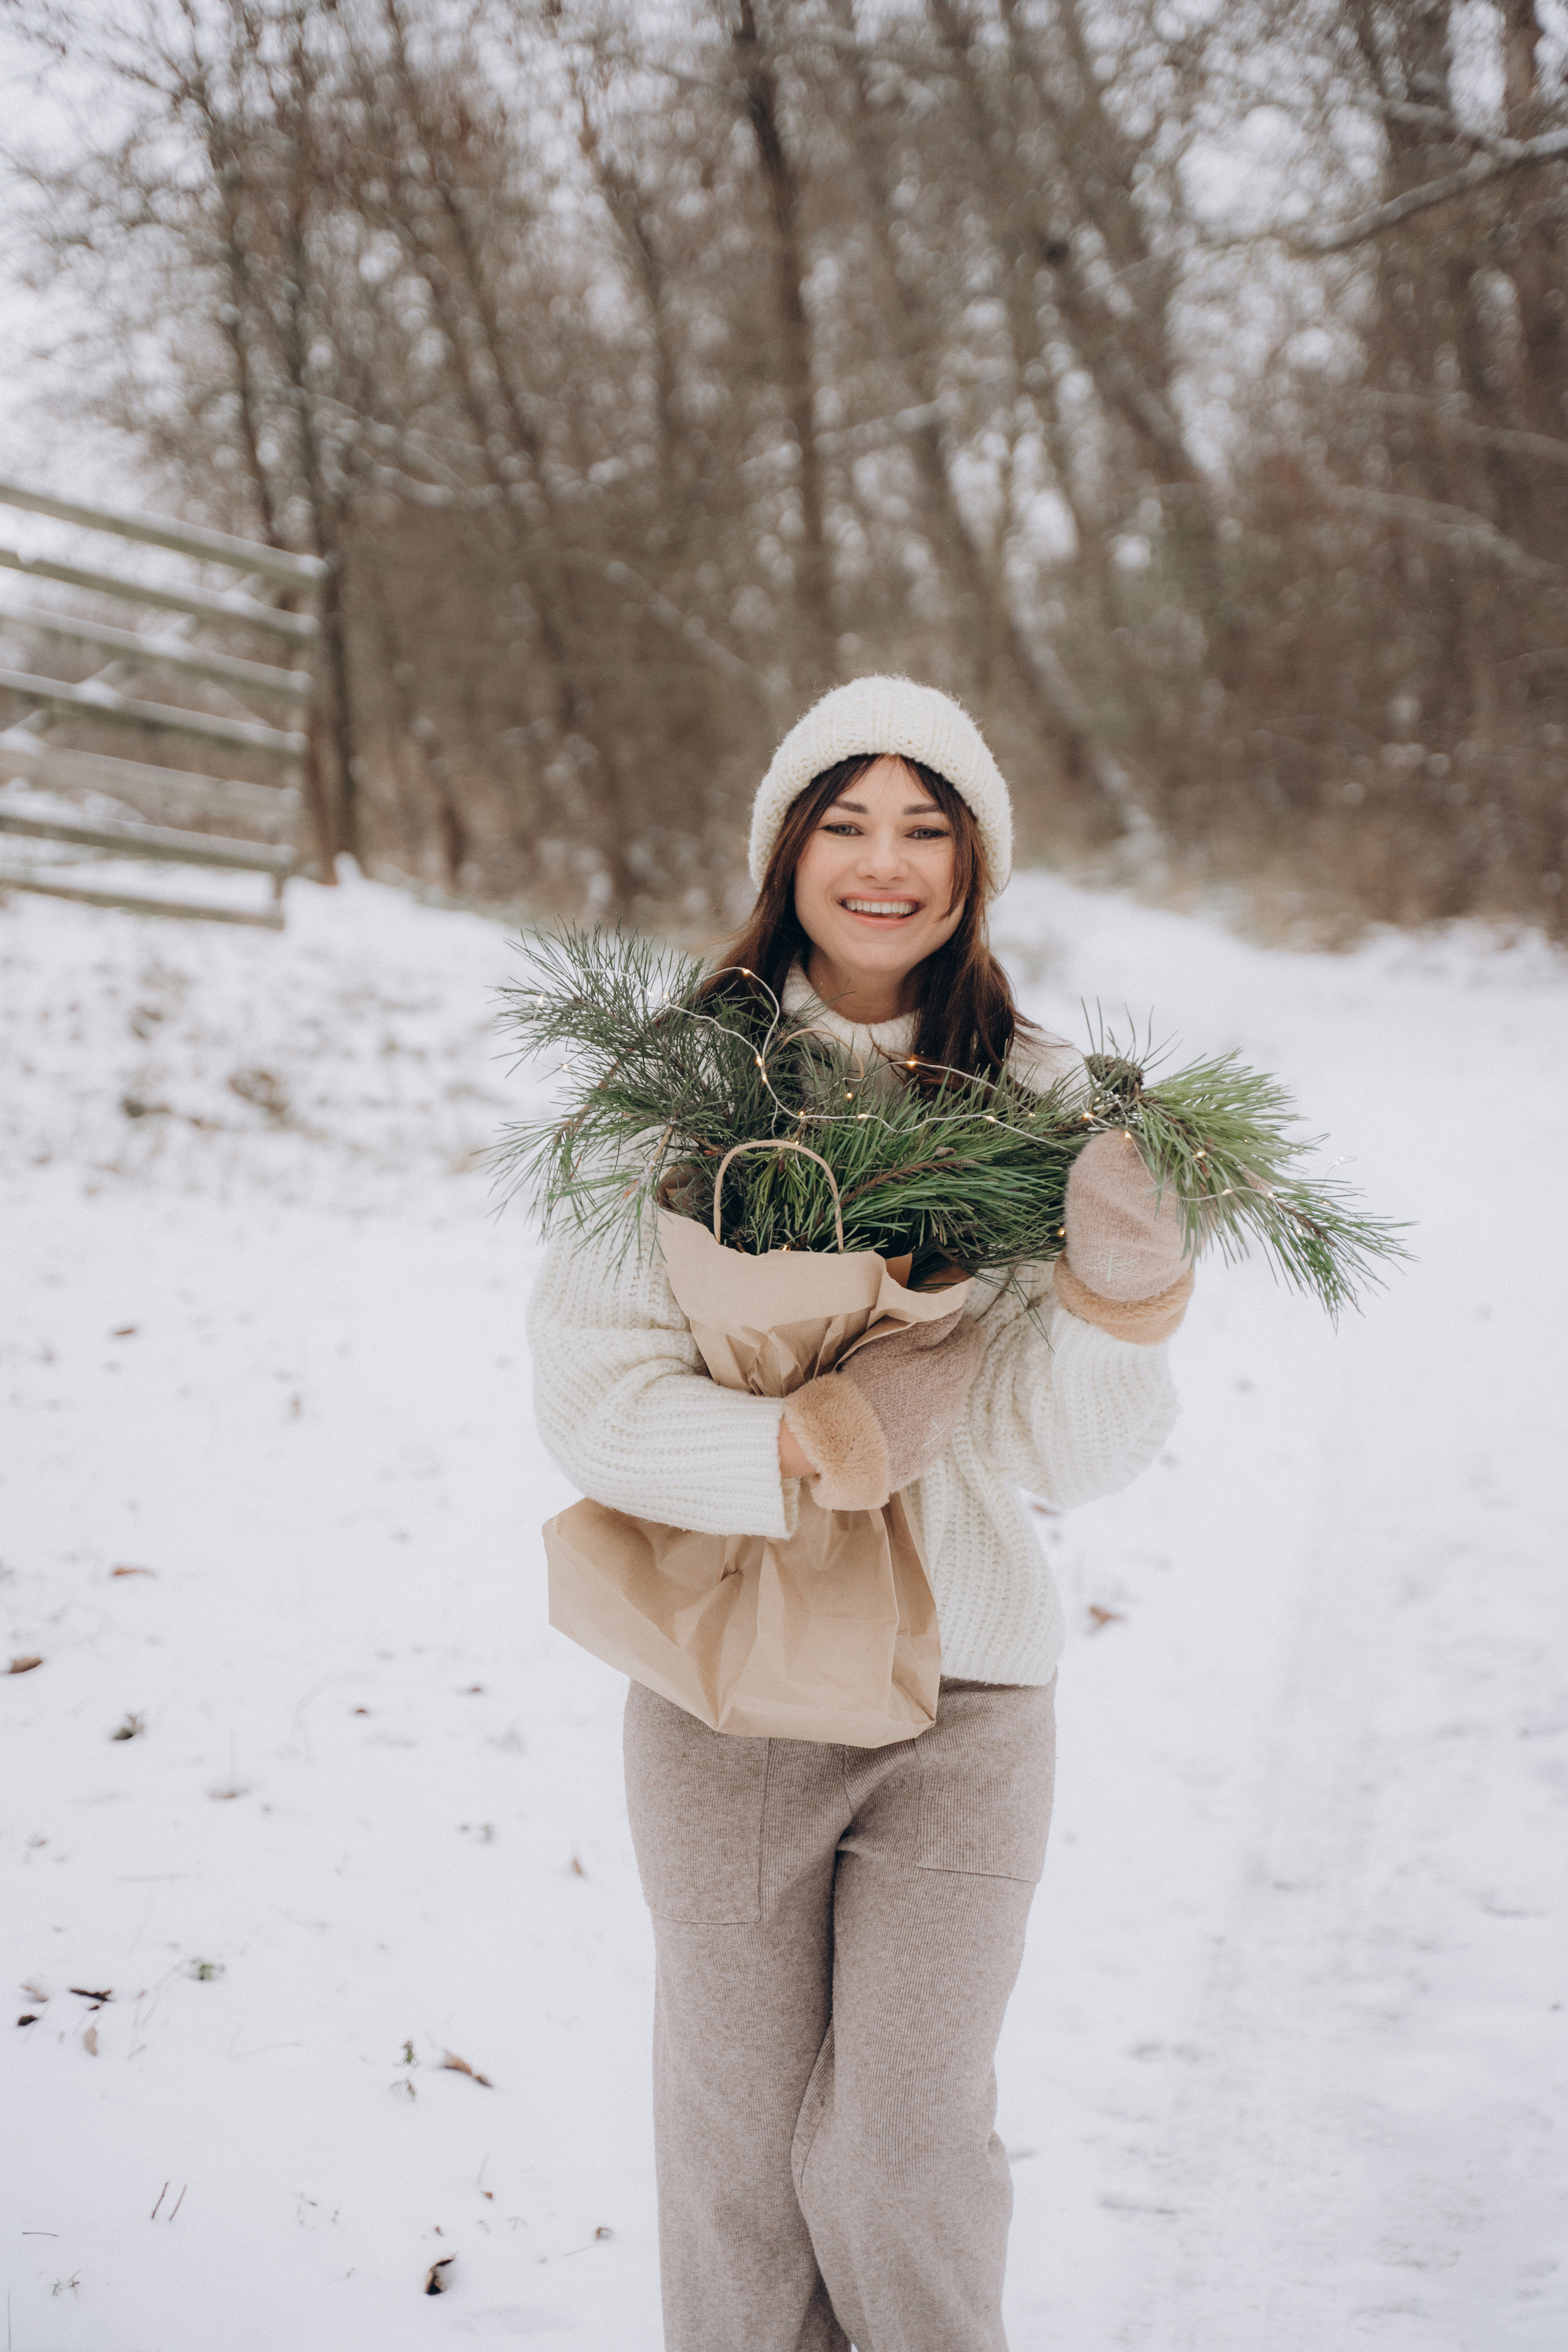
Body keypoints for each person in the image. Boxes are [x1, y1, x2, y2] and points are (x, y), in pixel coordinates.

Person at [527, 676, 1195, 2352]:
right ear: (788, 849)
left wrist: (1122, 1304)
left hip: (967, 1698)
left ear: (975, 865)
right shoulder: (677, 1087)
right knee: (744, 2179)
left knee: (898, 2161)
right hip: (731, 1696)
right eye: (847, 822)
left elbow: (1070, 1451)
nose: (885, 863)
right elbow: (592, 1396)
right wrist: (802, 1446)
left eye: (927, 828)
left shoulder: (1043, 1099)